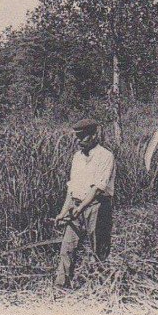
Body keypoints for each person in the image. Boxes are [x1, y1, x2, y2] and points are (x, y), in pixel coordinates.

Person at [52, 118, 116, 288]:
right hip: (76, 206)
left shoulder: (105, 156)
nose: (79, 141)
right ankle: (61, 286)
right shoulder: (77, 158)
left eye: (83, 137)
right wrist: (63, 212)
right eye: (77, 137)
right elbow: (72, 188)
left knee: (99, 249)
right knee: (67, 248)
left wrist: (80, 209)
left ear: (95, 135)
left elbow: (97, 189)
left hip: (97, 206)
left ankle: (102, 287)